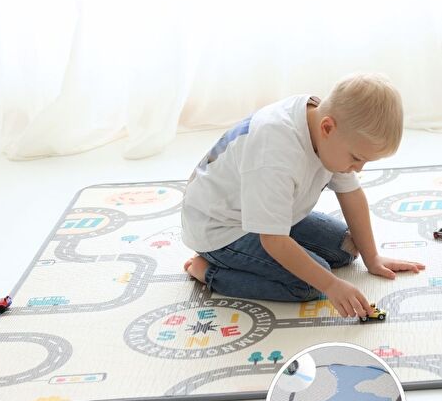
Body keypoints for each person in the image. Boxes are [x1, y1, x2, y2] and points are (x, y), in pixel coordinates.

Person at [181, 72, 425, 318]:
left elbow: (351, 193)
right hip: (220, 229)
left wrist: (373, 258)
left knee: (348, 248)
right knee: (309, 284)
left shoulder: (331, 128)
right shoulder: (275, 153)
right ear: (327, 128)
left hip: (268, 214)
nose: (359, 169)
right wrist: (330, 285)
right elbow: (273, 240)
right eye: (356, 158)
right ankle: (209, 271)